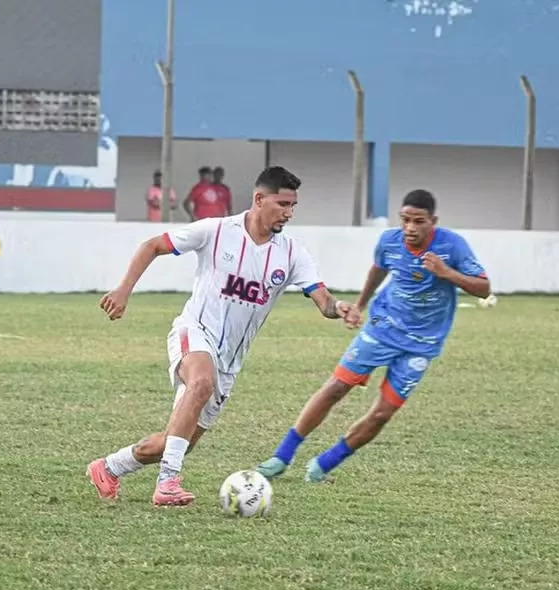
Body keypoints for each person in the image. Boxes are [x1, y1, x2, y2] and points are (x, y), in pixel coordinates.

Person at [87, 166, 360, 507]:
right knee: (202, 382)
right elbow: (152, 245)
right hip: (194, 331)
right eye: (283, 204)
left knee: (176, 441)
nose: (289, 213)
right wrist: (123, 290)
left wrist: (339, 307)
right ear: (259, 199)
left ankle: (109, 467)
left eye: (293, 206)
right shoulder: (215, 230)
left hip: (230, 361)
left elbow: (323, 300)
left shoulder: (292, 253)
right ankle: (167, 483)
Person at [256, 189, 491, 483]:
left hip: (421, 345)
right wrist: (360, 305)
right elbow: (378, 270)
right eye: (405, 220)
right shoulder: (389, 242)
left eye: (418, 221)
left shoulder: (452, 246)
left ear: (433, 221)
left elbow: (484, 288)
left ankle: (324, 464)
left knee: (382, 414)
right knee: (335, 388)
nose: (410, 228)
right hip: (382, 329)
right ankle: (282, 456)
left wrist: (447, 273)